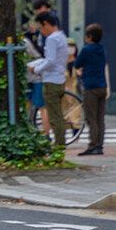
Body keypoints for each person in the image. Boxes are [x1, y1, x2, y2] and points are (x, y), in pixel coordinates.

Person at [29, 11, 68, 150]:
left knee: (54, 115)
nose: (41, 31)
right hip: (60, 79)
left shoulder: (52, 39)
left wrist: (36, 69)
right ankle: (60, 142)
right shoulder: (62, 36)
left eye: (41, 27)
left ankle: (59, 145)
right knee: (57, 114)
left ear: (46, 24)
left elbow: (50, 61)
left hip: (51, 80)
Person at [74, 23, 109, 156]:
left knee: (91, 118)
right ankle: (100, 145)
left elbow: (77, 63)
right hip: (102, 86)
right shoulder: (101, 48)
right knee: (100, 118)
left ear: (89, 36)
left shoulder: (87, 49)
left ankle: (93, 145)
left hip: (91, 87)